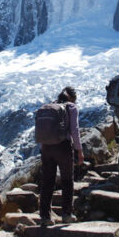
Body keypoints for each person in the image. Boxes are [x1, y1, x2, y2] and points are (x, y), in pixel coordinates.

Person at [39, 86, 83, 226]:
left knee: (47, 181)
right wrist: (79, 150)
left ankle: (45, 217)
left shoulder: (49, 107)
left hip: (46, 147)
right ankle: (67, 215)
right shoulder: (70, 107)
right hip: (63, 147)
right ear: (72, 98)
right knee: (67, 180)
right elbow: (74, 131)